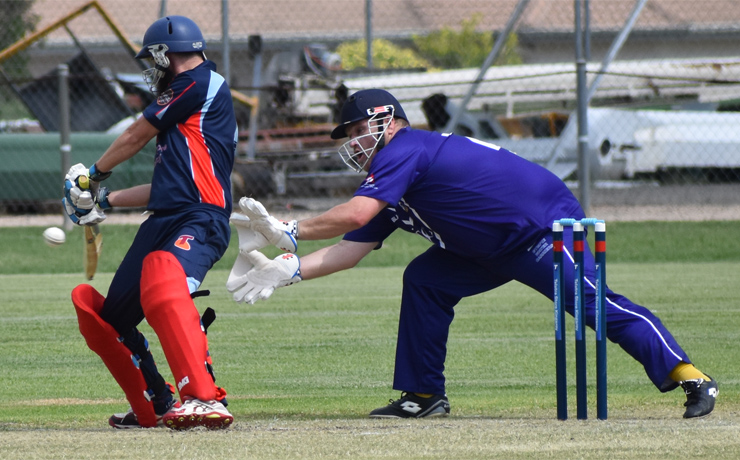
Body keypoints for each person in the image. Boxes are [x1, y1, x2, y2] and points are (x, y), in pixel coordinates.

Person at [226, 88, 718, 420]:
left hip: (543, 229)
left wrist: (290, 230)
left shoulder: (405, 148)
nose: (353, 142)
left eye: (356, 130)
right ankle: (424, 395)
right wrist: (287, 271)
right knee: (425, 280)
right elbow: (350, 250)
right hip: (484, 247)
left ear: (385, 121)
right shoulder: (390, 176)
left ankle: (691, 377)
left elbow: (353, 215)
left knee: (590, 304)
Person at [63, 15, 236, 430]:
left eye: (153, 59)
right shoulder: (187, 114)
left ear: (164, 54)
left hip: (200, 216)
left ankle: (203, 398)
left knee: (164, 280)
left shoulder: (197, 82)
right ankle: (157, 401)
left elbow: (134, 135)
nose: (151, 69)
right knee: (110, 320)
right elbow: (166, 186)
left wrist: (92, 177)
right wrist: (104, 200)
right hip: (168, 217)